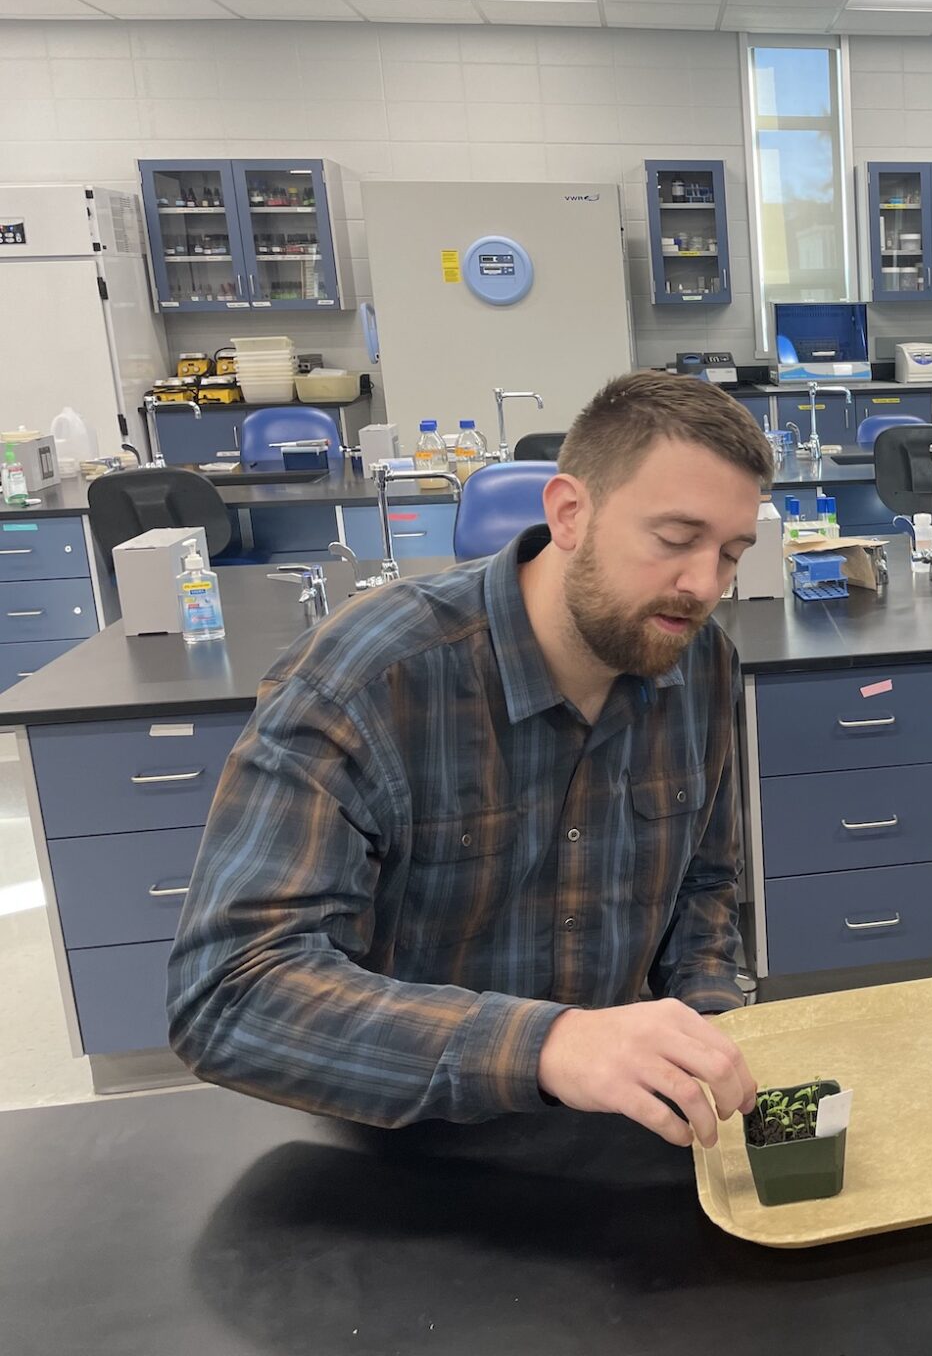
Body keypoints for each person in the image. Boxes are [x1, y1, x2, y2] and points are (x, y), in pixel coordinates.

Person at [168, 373, 772, 1146]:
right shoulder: (369, 680)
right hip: (399, 1148)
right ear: (570, 514)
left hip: (619, 1128)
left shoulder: (699, 662)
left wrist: (711, 1028)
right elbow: (230, 993)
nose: (704, 584)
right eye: (677, 540)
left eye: (731, 554)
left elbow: (704, 889)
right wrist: (549, 1046)